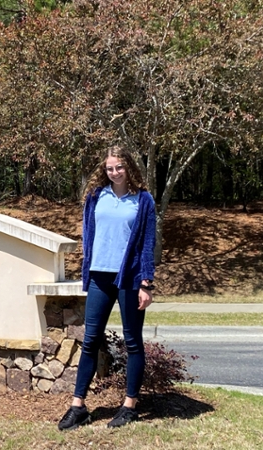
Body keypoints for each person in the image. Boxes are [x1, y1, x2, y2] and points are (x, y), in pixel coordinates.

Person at [58, 145, 156, 430]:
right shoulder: (95, 197)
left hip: (129, 277)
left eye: (119, 167)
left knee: (133, 341)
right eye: (110, 168)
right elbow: (89, 236)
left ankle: (130, 406)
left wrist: (146, 283)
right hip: (99, 276)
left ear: (130, 167)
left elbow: (148, 243)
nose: (114, 172)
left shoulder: (143, 200)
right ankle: (78, 406)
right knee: (90, 340)